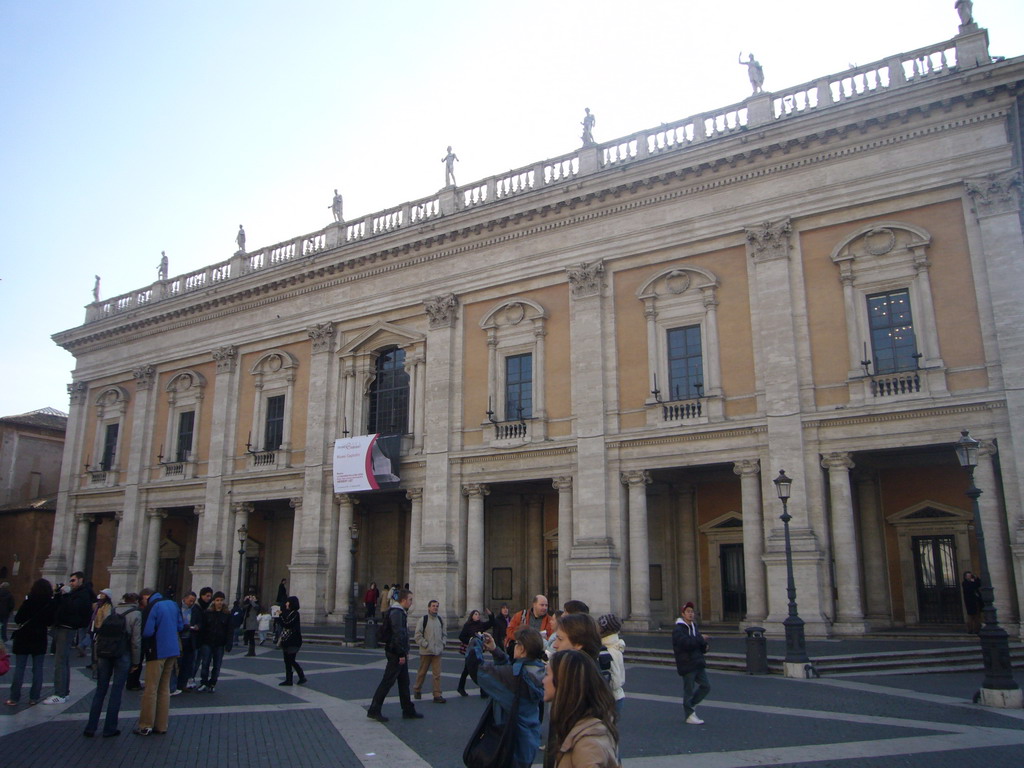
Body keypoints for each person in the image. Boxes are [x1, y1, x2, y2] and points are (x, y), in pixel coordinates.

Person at [467, 627, 546, 768]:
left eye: (516, 643)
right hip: (528, 740)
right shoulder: (538, 669)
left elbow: (476, 668)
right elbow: (513, 671)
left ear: (522, 649)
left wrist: (475, 642)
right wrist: (495, 651)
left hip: (509, 745)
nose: (513, 646)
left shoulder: (513, 678)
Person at [543, 649, 620, 768]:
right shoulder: (575, 726)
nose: (543, 680)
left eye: (547, 674)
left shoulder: (587, 744)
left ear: (563, 682)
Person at [84, 592, 141, 737]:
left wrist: (96, 656)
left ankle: (91, 727)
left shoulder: (112, 610)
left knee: (100, 690)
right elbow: (136, 641)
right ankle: (109, 728)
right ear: (136, 601)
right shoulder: (136, 614)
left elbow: (101, 633)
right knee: (116, 692)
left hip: (105, 652)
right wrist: (136, 662)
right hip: (123, 653)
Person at [367, 588, 422, 722]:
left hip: (397, 651)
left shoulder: (399, 612)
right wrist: (401, 653)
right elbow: (398, 634)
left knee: (404, 682)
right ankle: (374, 709)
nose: (411, 602)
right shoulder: (397, 613)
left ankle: (408, 709)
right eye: (410, 600)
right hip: (395, 653)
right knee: (388, 681)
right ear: (403, 600)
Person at [134, 589, 183, 736]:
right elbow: (180, 626)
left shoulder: (152, 606)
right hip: (173, 649)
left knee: (151, 688)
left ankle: (146, 725)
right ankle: (161, 726)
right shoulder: (173, 604)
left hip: (157, 650)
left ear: (146, 597)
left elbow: (147, 631)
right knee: (164, 689)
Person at [44, 571, 92, 704]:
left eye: (73, 580)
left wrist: (66, 595)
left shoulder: (83, 594)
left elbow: (72, 608)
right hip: (63, 627)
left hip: (67, 628)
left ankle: (60, 694)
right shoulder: (76, 594)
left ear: (81, 580)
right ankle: (63, 692)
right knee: (62, 661)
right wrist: (59, 595)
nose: (71, 583)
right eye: (70, 580)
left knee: (60, 661)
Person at [5, 578, 53, 707]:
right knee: (38, 670)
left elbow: (18, 618)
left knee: (19, 669)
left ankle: (14, 698)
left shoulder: (29, 601)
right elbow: (49, 622)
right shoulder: (49, 604)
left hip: (24, 638)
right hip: (39, 638)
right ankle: (34, 698)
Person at [672, 601, 710, 725]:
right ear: (683, 614)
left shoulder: (694, 627)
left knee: (706, 686)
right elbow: (686, 644)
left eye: (692, 612)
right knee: (688, 690)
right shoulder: (678, 630)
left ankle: (690, 706)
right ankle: (689, 715)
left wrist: (705, 646)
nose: (691, 614)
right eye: (688, 612)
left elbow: (697, 643)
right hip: (687, 663)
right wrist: (700, 639)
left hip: (698, 662)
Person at [196, 591, 231, 692]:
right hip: (207, 642)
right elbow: (203, 628)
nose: (219, 602)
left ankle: (212, 683)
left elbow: (230, 630)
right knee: (205, 663)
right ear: (214, 601)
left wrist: (229, 643)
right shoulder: (207, 613)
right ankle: (203, 682)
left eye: (221, 600)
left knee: (217, 665)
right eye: (217, 600)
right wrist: (200, 641)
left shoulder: (227, 614)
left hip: (220, 643)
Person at [412, 599, 446, 703]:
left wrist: (442, 644)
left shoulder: (440, 619)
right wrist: (425, 644)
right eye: (433, 606)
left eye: (437, 606)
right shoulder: (423, 619)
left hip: (437, 651)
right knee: (422, 672)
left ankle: (437, 694)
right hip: (426, 651)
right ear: (429, 607)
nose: (435, 608)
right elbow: (417, 635)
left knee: (437, 674)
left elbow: (444, 634)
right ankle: (417, 689)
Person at [457, 608, 494, 696]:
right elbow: (461, 636)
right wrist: (470, 640)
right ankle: (463, 688)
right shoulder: (467, 625)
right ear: (472, 616)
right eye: (475, 614)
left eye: (478, 614)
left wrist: (490, 614)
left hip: (478, 651)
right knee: (468, 670)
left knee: (476, 669)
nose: (477, 616)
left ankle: (480, 690)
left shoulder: (481, 625)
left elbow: (492, 622)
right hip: (470, 651)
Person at [125, 588, 154, 691]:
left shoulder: (145, 610)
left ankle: (134, 682)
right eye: (146, 598)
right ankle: (132, 682)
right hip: (138, 640)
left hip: (141, 639)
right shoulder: (139, 611)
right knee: (136, 661)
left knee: (139, 662)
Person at [172, 592, 201, 695]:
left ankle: (182, 685)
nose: (191, 602)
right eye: (190, 600)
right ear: (184, 599)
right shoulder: (176, 608)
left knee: (187, 664)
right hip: (179, 639)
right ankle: (174, 685)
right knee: (177, 664)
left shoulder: (196, 609)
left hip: (190, 639)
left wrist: (198, 626)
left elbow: (200, 621)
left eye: (193, 601)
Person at [597, 614, 626, 714]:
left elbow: (614, 680)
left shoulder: (607, 651)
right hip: (616, 696)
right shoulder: (615, 645)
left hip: (610, 699)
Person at [278, 596, 307, 686]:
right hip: (287, 640)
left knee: (291, 660)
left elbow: (287, 624)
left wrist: (281, 616)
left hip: (293, 640)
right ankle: (289, 679)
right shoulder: (288, 613)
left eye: (288, 602)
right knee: (287, 660)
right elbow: (283, 623)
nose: (286, 603)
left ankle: (301, 676)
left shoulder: (295, 614)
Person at [242, 591, 261, 656]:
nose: (252, 598)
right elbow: (243, 607)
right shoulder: (249, 605)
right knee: (249, 638)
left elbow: (255, 607)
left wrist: (251, 601)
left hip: (252, 624)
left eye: (253, 597)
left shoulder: (256, 605)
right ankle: (250, 651)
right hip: (248, 623)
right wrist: (245, 600)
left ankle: (252, 652)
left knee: (251, 638)